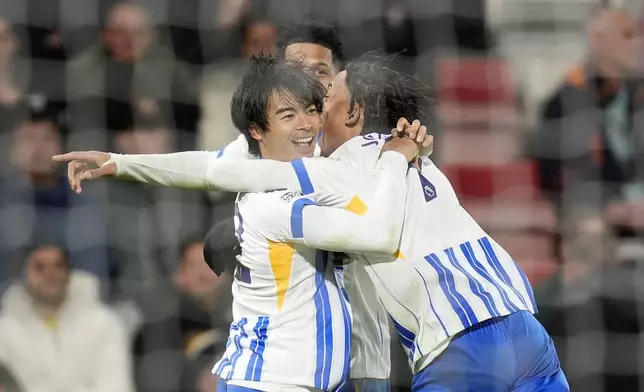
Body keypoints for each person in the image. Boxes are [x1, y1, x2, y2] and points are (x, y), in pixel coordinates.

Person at [56, 52, 571, 390]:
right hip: (525, 327)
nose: (314, 115)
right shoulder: (423, 156)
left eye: (325, 101)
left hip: (458, 345)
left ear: (353, 114)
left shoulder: (339, 168)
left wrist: (122, 163)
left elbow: (215, 170)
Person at [0, 243, 133, 392]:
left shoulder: (105, 323)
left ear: (69, 273)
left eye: (58, 266)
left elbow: (117, 386)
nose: (50, 275)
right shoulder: (5, 332)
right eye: (40, 267)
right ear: (24, 274)